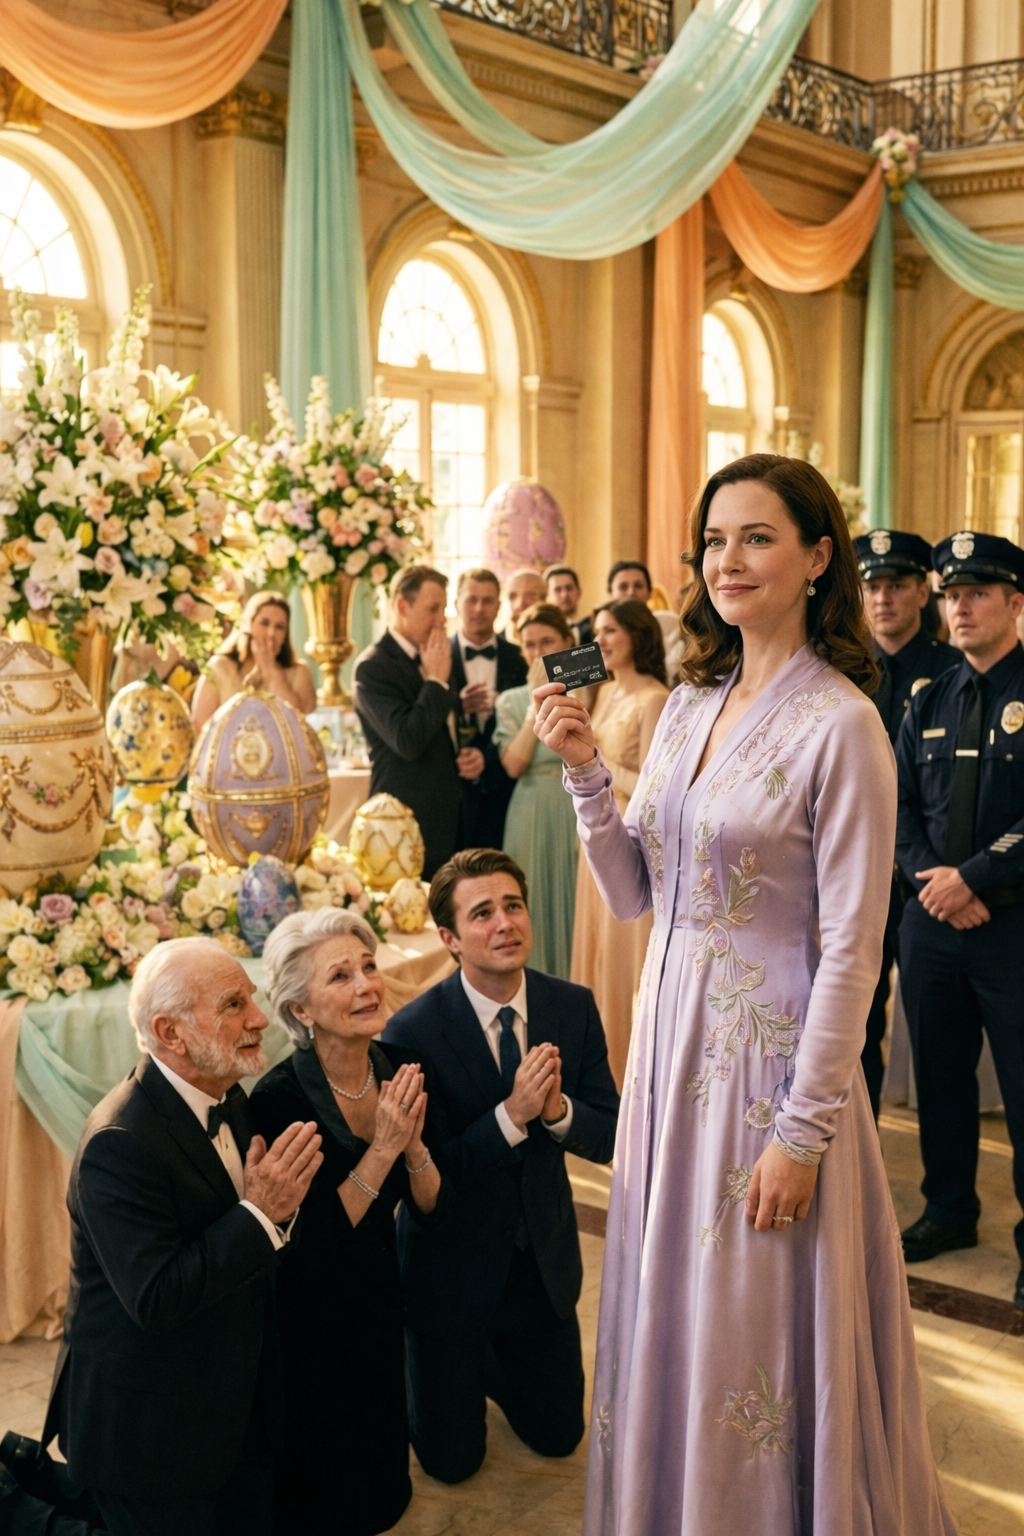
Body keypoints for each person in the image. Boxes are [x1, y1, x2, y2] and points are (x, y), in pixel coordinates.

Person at [535, 454, 955, 1534]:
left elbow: (854, 951)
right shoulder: (686, 705)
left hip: (771, 1077)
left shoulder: (843, 725)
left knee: (751, 1323)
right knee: (672, 1306)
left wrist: (803, 1135)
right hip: (668, 1057)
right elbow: (635, 894)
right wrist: (585, 772)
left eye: (757, 537)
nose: (728, 560)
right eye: (714, 540)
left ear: (818, 558)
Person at [39, 938, 323, 1536]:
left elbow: (254, 1241)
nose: (259, 1019)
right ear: (170, 1033)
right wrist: (262, 1212)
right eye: (233, 1005)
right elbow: (157, 1298)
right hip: (149, 1432)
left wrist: (273, 1215)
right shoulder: (118, 1143)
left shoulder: (228, 1095)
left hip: (233, 1400)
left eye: (251, 999)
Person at [382, 849, 619, 1485]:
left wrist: (558, 1110)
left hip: (539, 1265)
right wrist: (511, 1116)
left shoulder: (572, 1006)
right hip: (451, 1271)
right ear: (450, 939)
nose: (504, 923)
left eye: (513, 906)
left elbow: (610, 1135)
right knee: (452, 1465)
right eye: (482, 913)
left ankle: (495, 1363)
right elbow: (426, 1179)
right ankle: (437, 1362)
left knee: (560, 1438)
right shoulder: (410, 1033)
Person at [251, 908, 451, 1535]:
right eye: (340, 976)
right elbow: (314, 1245)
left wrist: (413, 1147)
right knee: (324, 1483)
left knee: (382, 1459)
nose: (367, 985)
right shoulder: (277, 1100)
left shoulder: (404, 1065)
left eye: (368, 966)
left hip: (381, 1289)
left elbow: (432, 1206)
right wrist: (384, 1148)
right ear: (301, 1010)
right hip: (307, 1307)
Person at [895, 530, 1024, 1313]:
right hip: (933, 924)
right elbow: (898, 806)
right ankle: (949, 1209)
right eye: (952, 595)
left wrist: (973, 877)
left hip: (1013, 927)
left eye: (978, 593)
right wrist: (933, 882)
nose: (961, 607)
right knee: (940, 1079)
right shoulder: (931, 699)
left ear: (1015, 603)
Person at [854, 530, 959, 1119]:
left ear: (923, 592)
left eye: (897, 584)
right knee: (853, 1029)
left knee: (936, 1039)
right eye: (872, 586)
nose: (883, 598)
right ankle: (859, 1151)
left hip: (925, 881)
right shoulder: (839, 668)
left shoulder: (950, 670)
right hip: (851, 874)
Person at [569, 601, 669, 1089]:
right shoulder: (603, 691)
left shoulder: (656, 698)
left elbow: (655, 783)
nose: (600, 641)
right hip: (596, 831)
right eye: (596, 631)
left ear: (637, 634)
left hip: (629, 835)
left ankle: (630, 1077)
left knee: (623, 953)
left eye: (610, 630)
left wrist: (596, 765)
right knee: (595, 950)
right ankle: (596, 1071)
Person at [352, 566, 480, 878]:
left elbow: (446, 729)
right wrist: (435, 682)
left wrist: (469, 753)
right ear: (402, 606)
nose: (441, 620)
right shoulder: (372, 667)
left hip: (452, 816)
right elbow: (407, 741)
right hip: (402, 822)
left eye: (444, 609)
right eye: (433, 609)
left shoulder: (439, 652)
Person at [494, 603, 579, 978]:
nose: (538, 652)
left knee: (576, 899)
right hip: (529, 811)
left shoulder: (588, 693)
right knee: (533, 901)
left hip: (576, 804)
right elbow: (513, 764)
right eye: (529, 645)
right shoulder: (509, 700)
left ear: (567, 643)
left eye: (547, 642)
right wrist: (534, 706)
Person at [449, 568, 528, 850]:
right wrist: (455, 705)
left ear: (498, 605)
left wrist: (487, 758)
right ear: (456, 603)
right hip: (452, 796)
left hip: (505, 792)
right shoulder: (436, 655)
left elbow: (527, 720)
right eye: (471, 599)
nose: (479, 609)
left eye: (488, 600)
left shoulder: (519, 657)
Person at [192, 591, 316, 731]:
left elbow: (299, 723)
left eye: (280, 627)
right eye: (264, 623)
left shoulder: (300, 671)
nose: (271, 633)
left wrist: (270, 669)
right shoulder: (219, 667)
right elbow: (200, 726)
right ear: (248, 625)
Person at [545, 564, 592, 645]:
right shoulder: (542, 634)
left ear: (579, 592)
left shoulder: (592, 628)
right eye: (557, 590)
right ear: (547, 595)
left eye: (569, 588)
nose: (564, 595)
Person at [502, 566, 547, 643]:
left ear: (544, 599)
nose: (520, 604)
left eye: (530, 595)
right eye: (513, 596)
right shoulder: (498, 644)